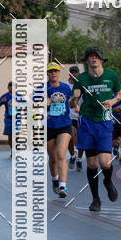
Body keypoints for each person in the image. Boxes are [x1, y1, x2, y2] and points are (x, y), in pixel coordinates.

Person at [69, 46, 121, 212]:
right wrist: (74, 100)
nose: (94, 58)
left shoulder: (111, 75)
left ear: (101, 60)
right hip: (87, 121)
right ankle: (95, 199)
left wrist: (112, 101)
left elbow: (119, 94)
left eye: (97, 56)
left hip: (105, 121)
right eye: (90, 56)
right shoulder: (81, 78)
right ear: (86, 60)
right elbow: (73, 101)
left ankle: (108, 181)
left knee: (105, 162)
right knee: (92, 164)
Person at [45, 62, 72, 198]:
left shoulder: (66, 87)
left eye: (55, 71)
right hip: (49, 126)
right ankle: (55, 181)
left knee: (61, 154)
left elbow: (72, 102)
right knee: (53, 158)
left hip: (64, 125)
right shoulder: (42, 88)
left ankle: (63, 186)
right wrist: (42, 103)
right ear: (47, 74)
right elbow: (31, 104)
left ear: (59, 72)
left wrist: (76, 104)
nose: (53, 73)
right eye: (51, 71)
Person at [68, 65, 83, 171]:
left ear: (78, 73)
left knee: (80, 138)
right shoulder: (66, 85)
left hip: (81, 115)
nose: (74, 74)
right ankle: (73, 155)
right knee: (71, 135)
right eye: (72, 72)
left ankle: (79, 159)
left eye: (75, 72)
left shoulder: (83, 85)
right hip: (69, 116)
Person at [0, 82, 13, 155]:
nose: (12, 88)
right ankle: (12, 150)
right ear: (8, 87)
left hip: (17, 119)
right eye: (10, 86)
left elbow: (25, 105)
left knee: (17, 135)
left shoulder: (19, 96)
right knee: (10, 136)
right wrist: (0, 101)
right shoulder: (5, 96)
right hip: (8, 119)